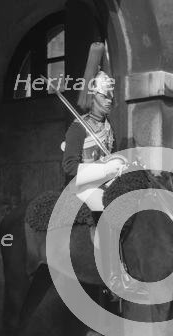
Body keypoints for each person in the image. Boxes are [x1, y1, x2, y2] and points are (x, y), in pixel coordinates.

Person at [61, 69, 129, 292]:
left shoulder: (109, 128)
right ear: (92, 97)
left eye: (111, 96)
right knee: (107, 212)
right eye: (104, 96)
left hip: (105, 185)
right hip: (82, 187)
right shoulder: (78, 127)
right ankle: (111, 274)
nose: (109, 100)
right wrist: (104, 170)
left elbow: (112, 157)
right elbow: (69, 167)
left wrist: (119, 166)